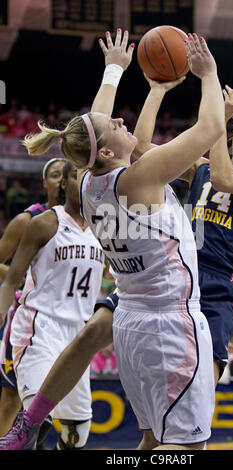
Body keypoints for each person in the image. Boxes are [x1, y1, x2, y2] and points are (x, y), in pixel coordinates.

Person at [0, 29, 225, 451]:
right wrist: (208, 74)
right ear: (104, 152)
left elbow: (92, 126)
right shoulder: (141, 175)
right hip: (172, 323)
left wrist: (114, 70)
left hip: (129, 323)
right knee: (187, 450)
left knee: (152, 441)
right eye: (116, 125)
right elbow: (212, 125)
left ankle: (29, 422)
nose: (122, 120)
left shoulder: (86, 184)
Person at [130, 73, 233, 387]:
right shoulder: (200, 167)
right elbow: (140, 149)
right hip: (176, 267)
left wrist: (219, 120)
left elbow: (224, 180)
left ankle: (195, 430)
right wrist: (157, 90)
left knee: (204, 378)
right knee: (152, 371)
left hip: (215, 280)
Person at [0, 161, 105, 450]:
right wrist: (11, 291)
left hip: (78, 335)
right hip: (40, 324)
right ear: (62, 184)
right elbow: (11, 278)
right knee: (33, 421)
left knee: (76, 436)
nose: (84, 183)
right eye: (74, 177)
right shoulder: (42, 221)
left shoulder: (103, 227)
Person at [0, 157, 65, 439]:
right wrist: (21, 277)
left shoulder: (86, 221)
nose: (61, 179)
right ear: (44, 183)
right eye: (53, 175)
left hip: (65, 317)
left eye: (67, 173)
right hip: (26, 316)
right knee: (13, 396)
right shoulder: (27, 220)